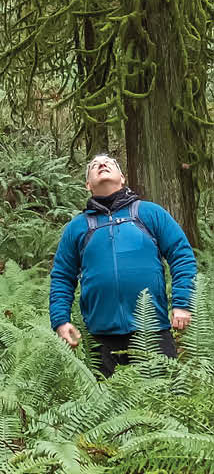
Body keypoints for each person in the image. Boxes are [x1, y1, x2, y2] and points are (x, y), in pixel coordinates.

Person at [49, 153, 196, 376]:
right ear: (88, 184)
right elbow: (62, 277)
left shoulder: (149, 213)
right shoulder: (77, 227)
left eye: (109, 163)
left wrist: (182, 303)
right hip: (100, 339)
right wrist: (61, 321)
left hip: (153, 331)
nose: (101, 164)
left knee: (163, 404)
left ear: (123, 178)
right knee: (109, 407)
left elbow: (181, 254)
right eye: (94, 165)